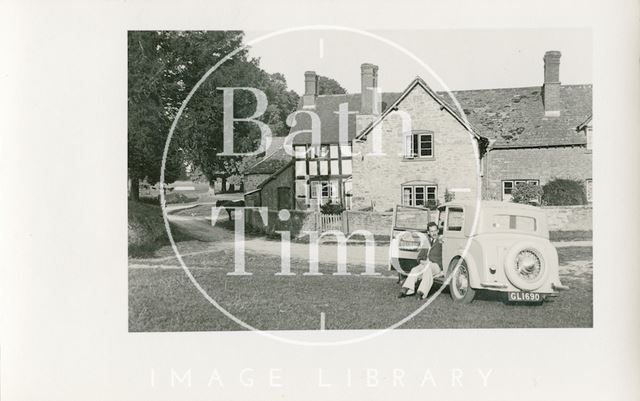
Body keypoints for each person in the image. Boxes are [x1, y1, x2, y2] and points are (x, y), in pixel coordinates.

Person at [398, 222, 443, 300]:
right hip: (425, 264)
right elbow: (419, 257)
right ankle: (406, 289)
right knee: (415, 269)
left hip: (436, 266)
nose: (434, 233)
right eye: (432, 231)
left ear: (438, 231)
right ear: (428, 233)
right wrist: (422, 262)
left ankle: (421, 292)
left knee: (428, 269)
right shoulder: (427, 242)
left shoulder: (441, 241)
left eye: (435, 231)